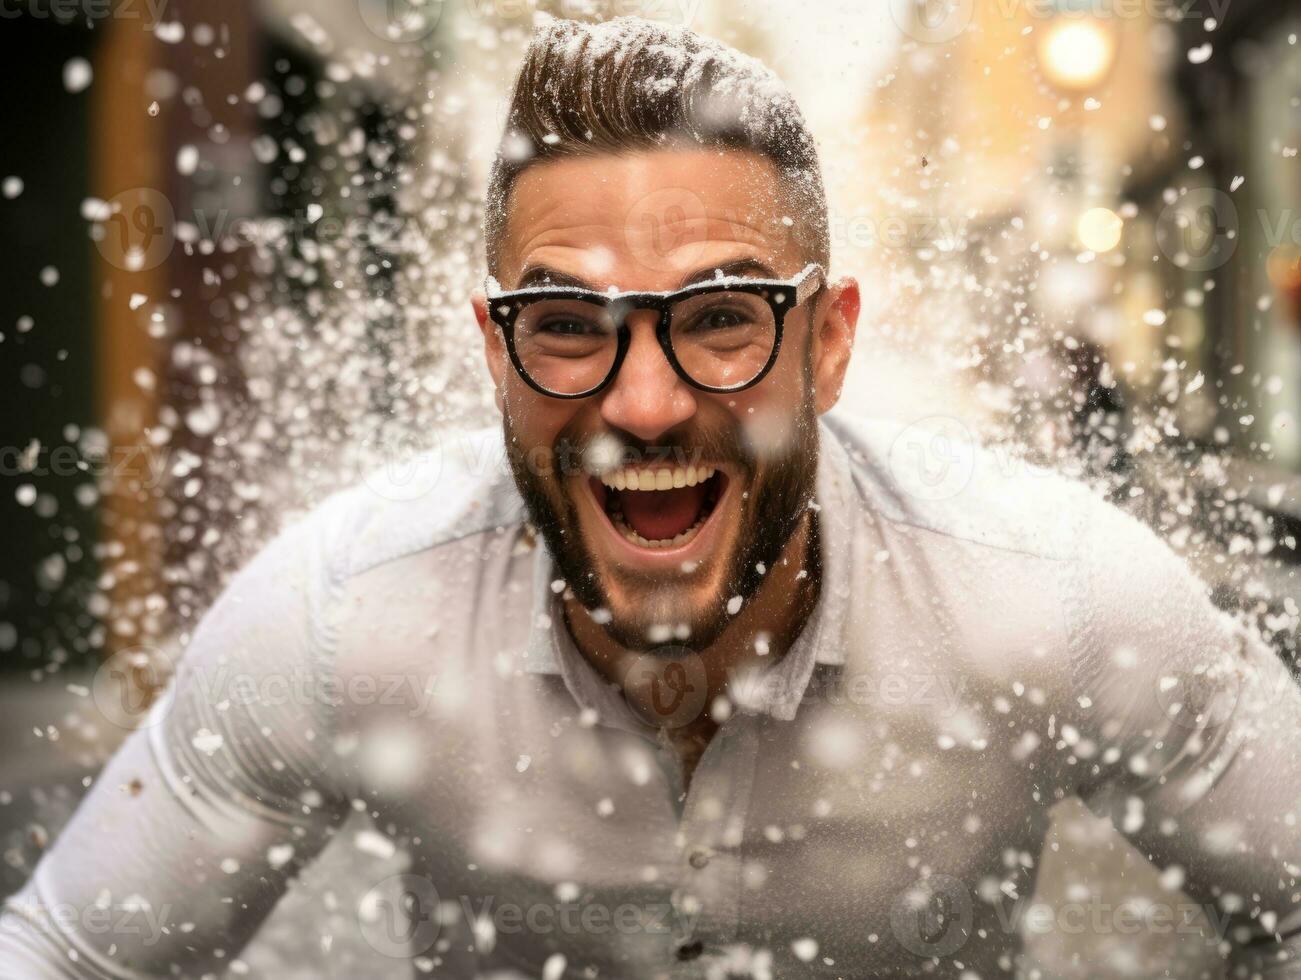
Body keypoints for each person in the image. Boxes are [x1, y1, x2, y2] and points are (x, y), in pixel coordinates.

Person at [2, 16, 1299, 979]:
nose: (641, 408)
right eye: (566, 325)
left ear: (829, 343)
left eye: (721, 319)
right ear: (494, 346)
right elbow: (64, 956)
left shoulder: (1052, 594)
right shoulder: (345, 613)